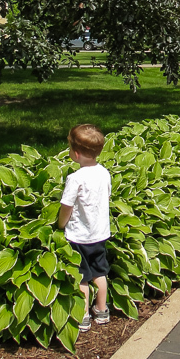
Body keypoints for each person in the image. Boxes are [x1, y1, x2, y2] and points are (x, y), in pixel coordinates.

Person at [59, 124, 112, 332]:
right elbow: (106, 197)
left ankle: (83, 316)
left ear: (76, 153)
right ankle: (102, 311)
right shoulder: (104, 173)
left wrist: (61, 224)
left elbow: (67, 206)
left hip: (78, 237)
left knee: (81, 276)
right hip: (99, 234)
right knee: (100, 272)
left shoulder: (75, 179)